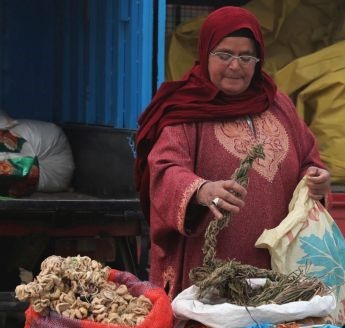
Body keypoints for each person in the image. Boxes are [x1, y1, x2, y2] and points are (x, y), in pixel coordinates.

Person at [134, 6, 330, 298]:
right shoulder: (185, 108)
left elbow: (308, 159)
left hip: (277, 272)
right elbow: (165, 167)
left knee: (272, 326)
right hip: (210, 271)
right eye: (224, 55)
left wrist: (316, 178)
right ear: (205, 54)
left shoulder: (278, 104)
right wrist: (201, 190)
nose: (235, 66)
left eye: (246, 57)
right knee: (214, 324)